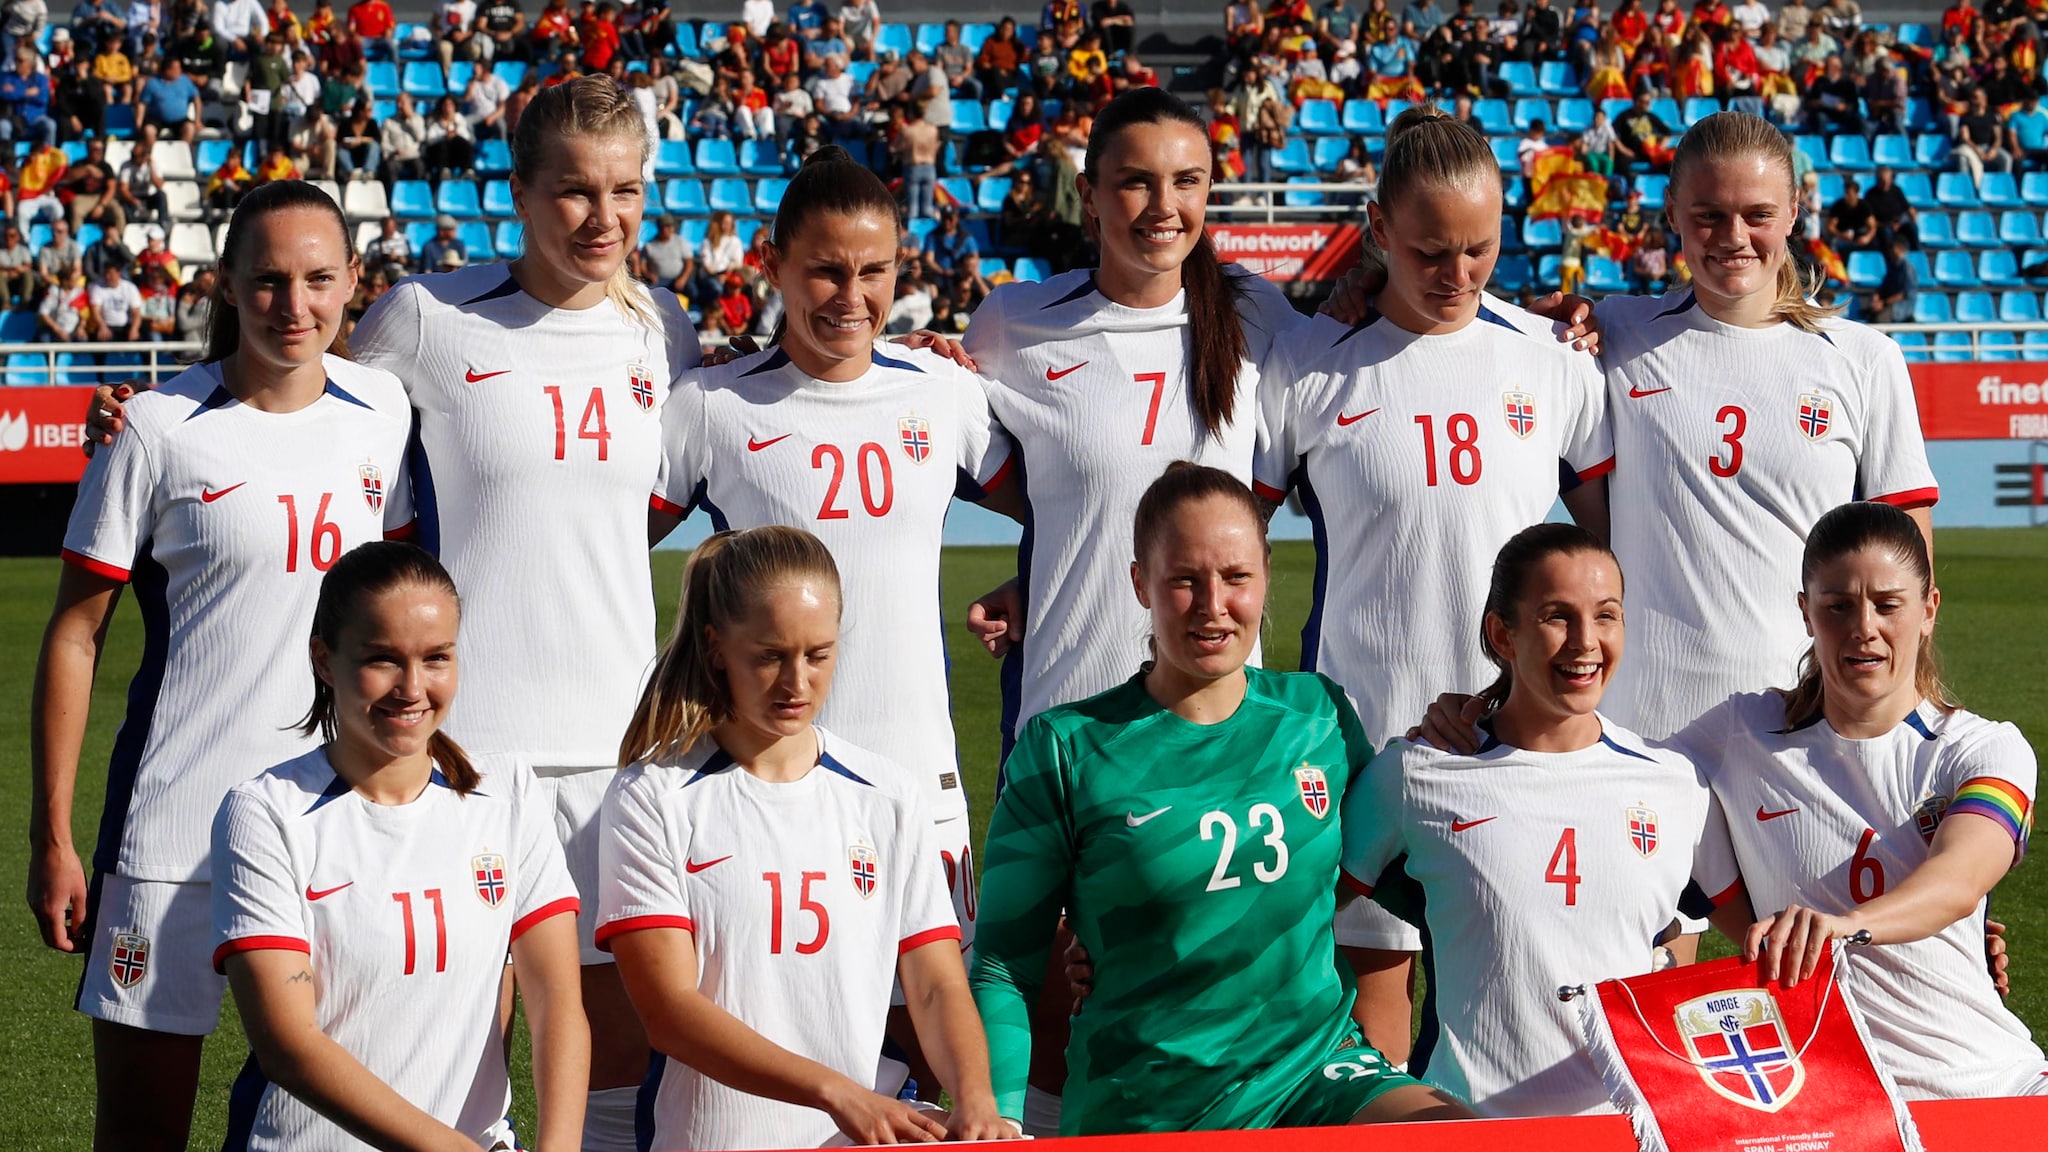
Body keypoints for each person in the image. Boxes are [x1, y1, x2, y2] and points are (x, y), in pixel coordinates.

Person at [84, 74, 701, 1152]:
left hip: (618, 748)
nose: (602, 217)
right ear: (519, 191)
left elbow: (655, 498)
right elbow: (292, 397)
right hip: (467, 751)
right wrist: (155, 414)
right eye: (573, 190)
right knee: (437, 1065)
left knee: (613, 1064)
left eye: (626, 192)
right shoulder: (425, 316)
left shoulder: (664, 328)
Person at [29, 179, 413, 1151]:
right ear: (227, 286)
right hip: (173, 834)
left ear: (353, 280)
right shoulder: (153, 428)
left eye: (318, 279)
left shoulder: (383, 408)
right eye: (269, 280)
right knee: (142, 1133)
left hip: (331, 829)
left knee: (324, 1125)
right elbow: (75, 634)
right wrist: (53, 835)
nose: (295, 305)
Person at [958, 90, 1308, 1131]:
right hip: (1070, 723)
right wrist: (1047, 573)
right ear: (1091, 193)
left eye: (1187, 182)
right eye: (1136, 182)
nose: (1163, 206)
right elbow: (1041, 494)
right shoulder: (1013, 324)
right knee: (1049, 1012)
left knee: (1200, 1016)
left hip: (1214, 734)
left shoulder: (1260, 320)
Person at [654, 146, 1020, 1099]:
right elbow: (606, 534)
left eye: (874, 271)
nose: (851, 297)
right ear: (772, 263)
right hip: (763, 785)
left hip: (917, 775)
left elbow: (1069, 511)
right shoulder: (712, 404)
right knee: (774, 1034)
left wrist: (1024, 584)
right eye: (824, 270)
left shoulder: (942, 391)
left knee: (932, 1037)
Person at [1256, 104, 1613, 1058]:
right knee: (1370, 1025)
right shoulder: (1308, 365)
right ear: (1377, 228)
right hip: (1365, 737)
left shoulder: (1552, 360)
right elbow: (1236, 540)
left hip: (1516, 740)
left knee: (1503, 1023)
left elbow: (1616, 549)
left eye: (1479, 249)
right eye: (1429, 251)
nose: (1457, 274)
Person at [970, 463, 1470, 1134]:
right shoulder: (1065, 747)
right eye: (1184, 580)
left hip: (1314, 1071)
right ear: (1140, 582)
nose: (1213, 605)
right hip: (1148, 1103)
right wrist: (994, 1117)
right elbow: (1004, 966)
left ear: (1265, 575)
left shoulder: (1318, 715)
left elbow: (1415, 885)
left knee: (1455, 1137)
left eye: (1236, 577)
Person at [598, 525, 1015, 1148]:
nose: (797, 683)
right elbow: (670, 1013)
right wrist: (836, 1093)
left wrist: (977, 1098)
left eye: (818, 655)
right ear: (716, 647)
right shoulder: (651, 798)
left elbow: (935, 984)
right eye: (770, 656)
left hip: (861, 1135)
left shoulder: (888, 794)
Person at [212, 541, 589, 1149]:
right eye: (383, 659)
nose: (412, 688)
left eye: (436, 658)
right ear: (324, 660)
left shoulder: (510, 793)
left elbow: (556, 1000)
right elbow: (288, 1045)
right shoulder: (264, 813)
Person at [1340, 523, 1725, 1117]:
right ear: (1503, 634)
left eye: (1606, 615)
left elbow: (1754, 933)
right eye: (1557, 617)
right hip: (1466, 1127)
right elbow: (1296, 915)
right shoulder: (1416, 774)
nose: (1586, 642)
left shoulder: (1674, 783)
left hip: (1624, 1131)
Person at [1589, 112, 1938, 742]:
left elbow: (1907, 565)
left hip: (1803, 723)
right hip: (1642, 729)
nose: (1734, 237)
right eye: (1709, 215)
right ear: (1671, 212)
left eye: (1758, 214)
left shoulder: (1864, 359)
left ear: (1794, 213)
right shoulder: (1612, 333)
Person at [1683, 501, 2048, 1100]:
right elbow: (1620, 791)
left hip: (1993, 1081)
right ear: (1805, 612)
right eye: (1837, 606)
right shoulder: (1738, 734)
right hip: (1836, 1105)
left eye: (1888, 604)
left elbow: (1958, 881)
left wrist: (1844, 928)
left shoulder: (1983, 748)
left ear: (1929, 611)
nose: (1864, 628)